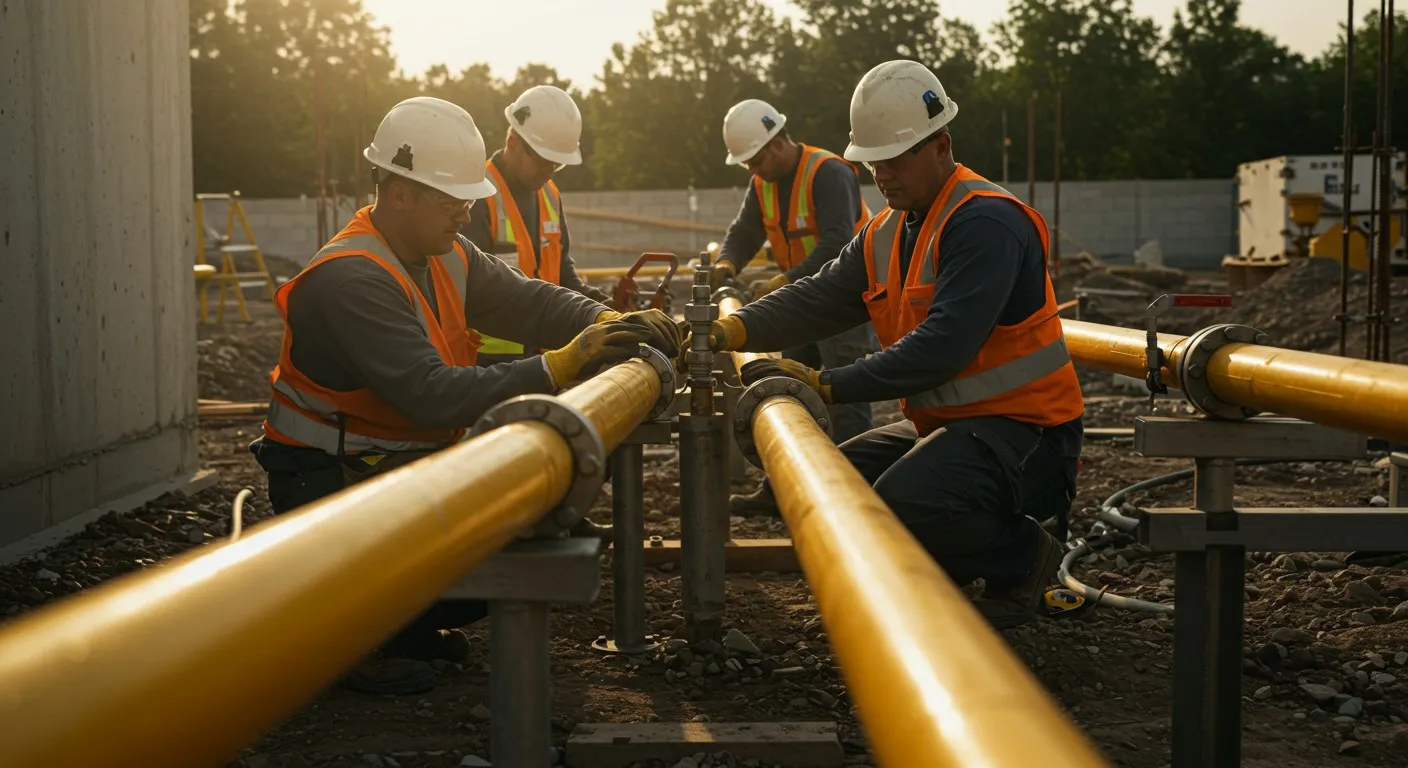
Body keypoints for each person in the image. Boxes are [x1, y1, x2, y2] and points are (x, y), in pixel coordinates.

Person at [248, 96, 681, 694]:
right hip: (330, 483)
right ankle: (350, 638)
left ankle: (400, 625)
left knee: (532, 517)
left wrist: (610, 323)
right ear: (400, 194)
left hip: (385, 469)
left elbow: (532, 300)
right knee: (510, 544)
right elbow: (431, 395)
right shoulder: (352, 277)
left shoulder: (444, 253)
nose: (468, 210)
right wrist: (561, 365)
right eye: (453, 198)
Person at [700, 62, 1085, 629]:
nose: (882, 174)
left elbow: (942, 346)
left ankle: (1024, 557)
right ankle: (945, 566)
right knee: (832, 479)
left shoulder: (986, 223)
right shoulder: (886, 231)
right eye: (873, 160)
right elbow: (818, 298)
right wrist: (732, 329)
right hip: (955, 426)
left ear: (941, 145)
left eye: (896, 158)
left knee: (907, 499)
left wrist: (828, 384)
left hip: (1030, 435)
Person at [710, 98, 880, 512]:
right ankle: (782, 488)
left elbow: (837, 243)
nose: (752, 170)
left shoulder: (829, 173)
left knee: (845, 399)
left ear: (775, 144)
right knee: (789, 390)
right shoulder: (762, 183)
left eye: (754, 160)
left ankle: (853, 499)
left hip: (846, 300)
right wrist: (726, 262)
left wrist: (783, 281)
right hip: (804, 301)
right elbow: (745, 231)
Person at [461, 85, 611, 366]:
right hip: (487, 363)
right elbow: (472, 290)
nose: (549, 171)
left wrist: (603, 307)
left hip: (548, 358)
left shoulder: (550, 194)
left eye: (557, 165)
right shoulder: (477, 194)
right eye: (544, 161)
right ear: (513, 141)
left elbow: (563, 273)